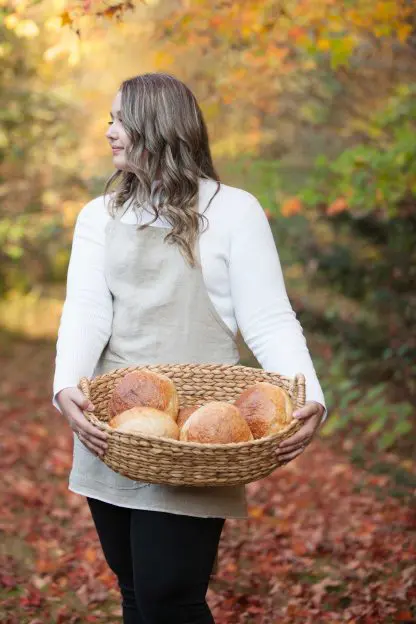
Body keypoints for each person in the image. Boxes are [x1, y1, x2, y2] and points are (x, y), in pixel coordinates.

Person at [52, 72, 327, 624]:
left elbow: (269, 317)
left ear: (156, 126)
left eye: (120, 120)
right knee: (133, 590)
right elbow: (86, 311)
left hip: (200, 437)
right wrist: (64, 387)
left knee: (169, 598)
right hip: (112, 429)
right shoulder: (98, 217)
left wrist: (311, 395)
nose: (109, 132)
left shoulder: (233, 211)